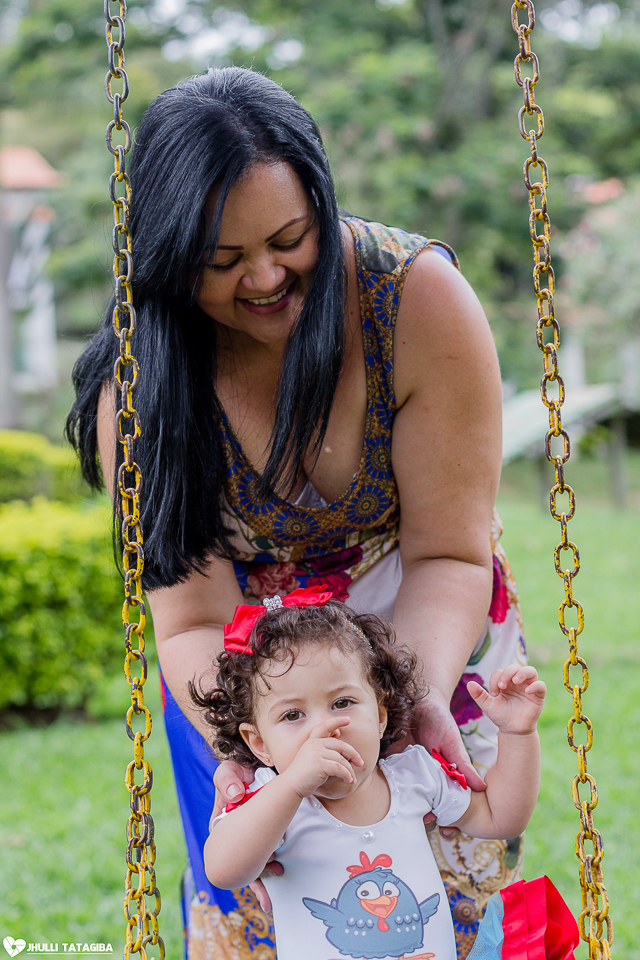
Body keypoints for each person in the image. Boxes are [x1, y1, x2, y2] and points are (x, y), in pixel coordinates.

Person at [66, 66, 526, 958]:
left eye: (289, 239)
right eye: (221, 262)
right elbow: (191, 617)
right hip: (248, 683)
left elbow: (448, 553)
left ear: (321, 200)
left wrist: (406, 701)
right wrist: (266, 747)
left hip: (425, 628)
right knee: (267, 910)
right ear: (165, 258)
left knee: (448, 908)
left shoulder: (414, 301)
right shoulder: (141, 393)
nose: (266, 278)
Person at [194, 589, 545, 960]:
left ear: (380, 715)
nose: (325, 728)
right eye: (293, 715)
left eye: (342, 703)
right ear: (259, 743)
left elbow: (501, 817)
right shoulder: (267, 800)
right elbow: (223, 870)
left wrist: (517, 734)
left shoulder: (415, 775)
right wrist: (293, 785)